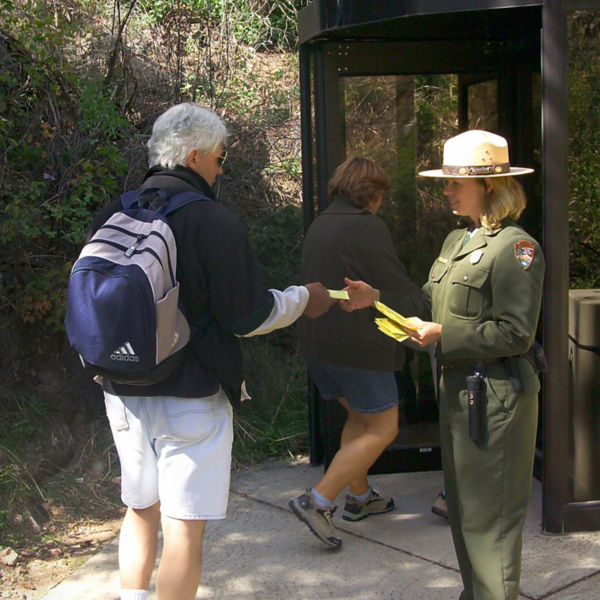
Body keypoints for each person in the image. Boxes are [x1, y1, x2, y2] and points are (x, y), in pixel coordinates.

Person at [86, 103, 334, 600]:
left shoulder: (115, 210)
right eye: (220, 157)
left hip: (122, 389)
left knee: (139, 510)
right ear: (195, 155)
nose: (222, 168)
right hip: (192, 394)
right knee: (182, 529)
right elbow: (247, 317)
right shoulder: (213, 221)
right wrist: (304, 300)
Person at [343, 130, 544, 599]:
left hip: (497, 398)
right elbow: (426, 304)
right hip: (460, 393)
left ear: (489, 186)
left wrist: (443, 336)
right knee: (466, 515)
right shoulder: (459, 240)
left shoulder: (517, 248)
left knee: (490, 523)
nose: (447, 190)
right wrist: (377, 300)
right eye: (447, 181)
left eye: (456, 182)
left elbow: (516, 333)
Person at [289, 156, 427, 549]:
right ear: (373, 193)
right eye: (381, 193)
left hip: (319, 346)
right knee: (384, 428)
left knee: (360, 419)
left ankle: (360, 497)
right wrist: (421, 302)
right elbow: (391, 282)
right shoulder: (367, 226)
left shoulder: (321, 222)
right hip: (358, 350)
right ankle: (317, 501)